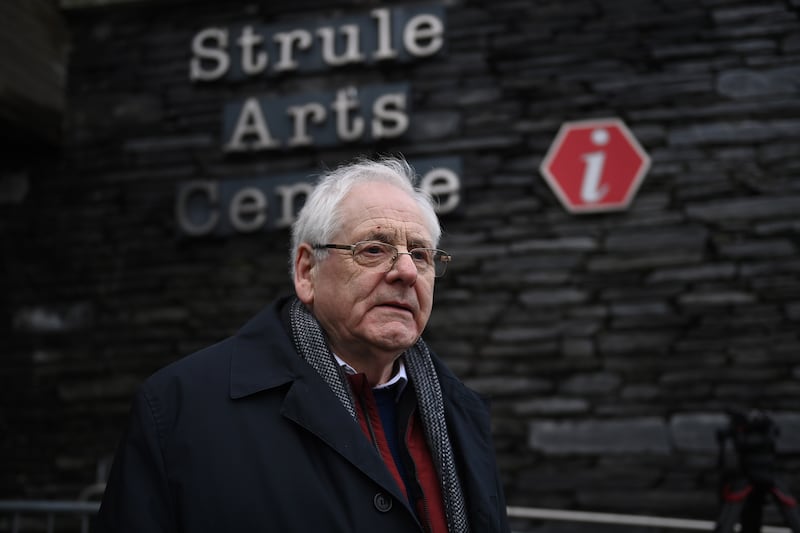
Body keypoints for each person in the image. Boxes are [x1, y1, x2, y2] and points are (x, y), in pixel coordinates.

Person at [97, 156, 511, 533]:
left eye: (420, 255)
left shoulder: (461, 413)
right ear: (307, 271)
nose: (405, 270)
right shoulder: (178, 408)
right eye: (373, 249)